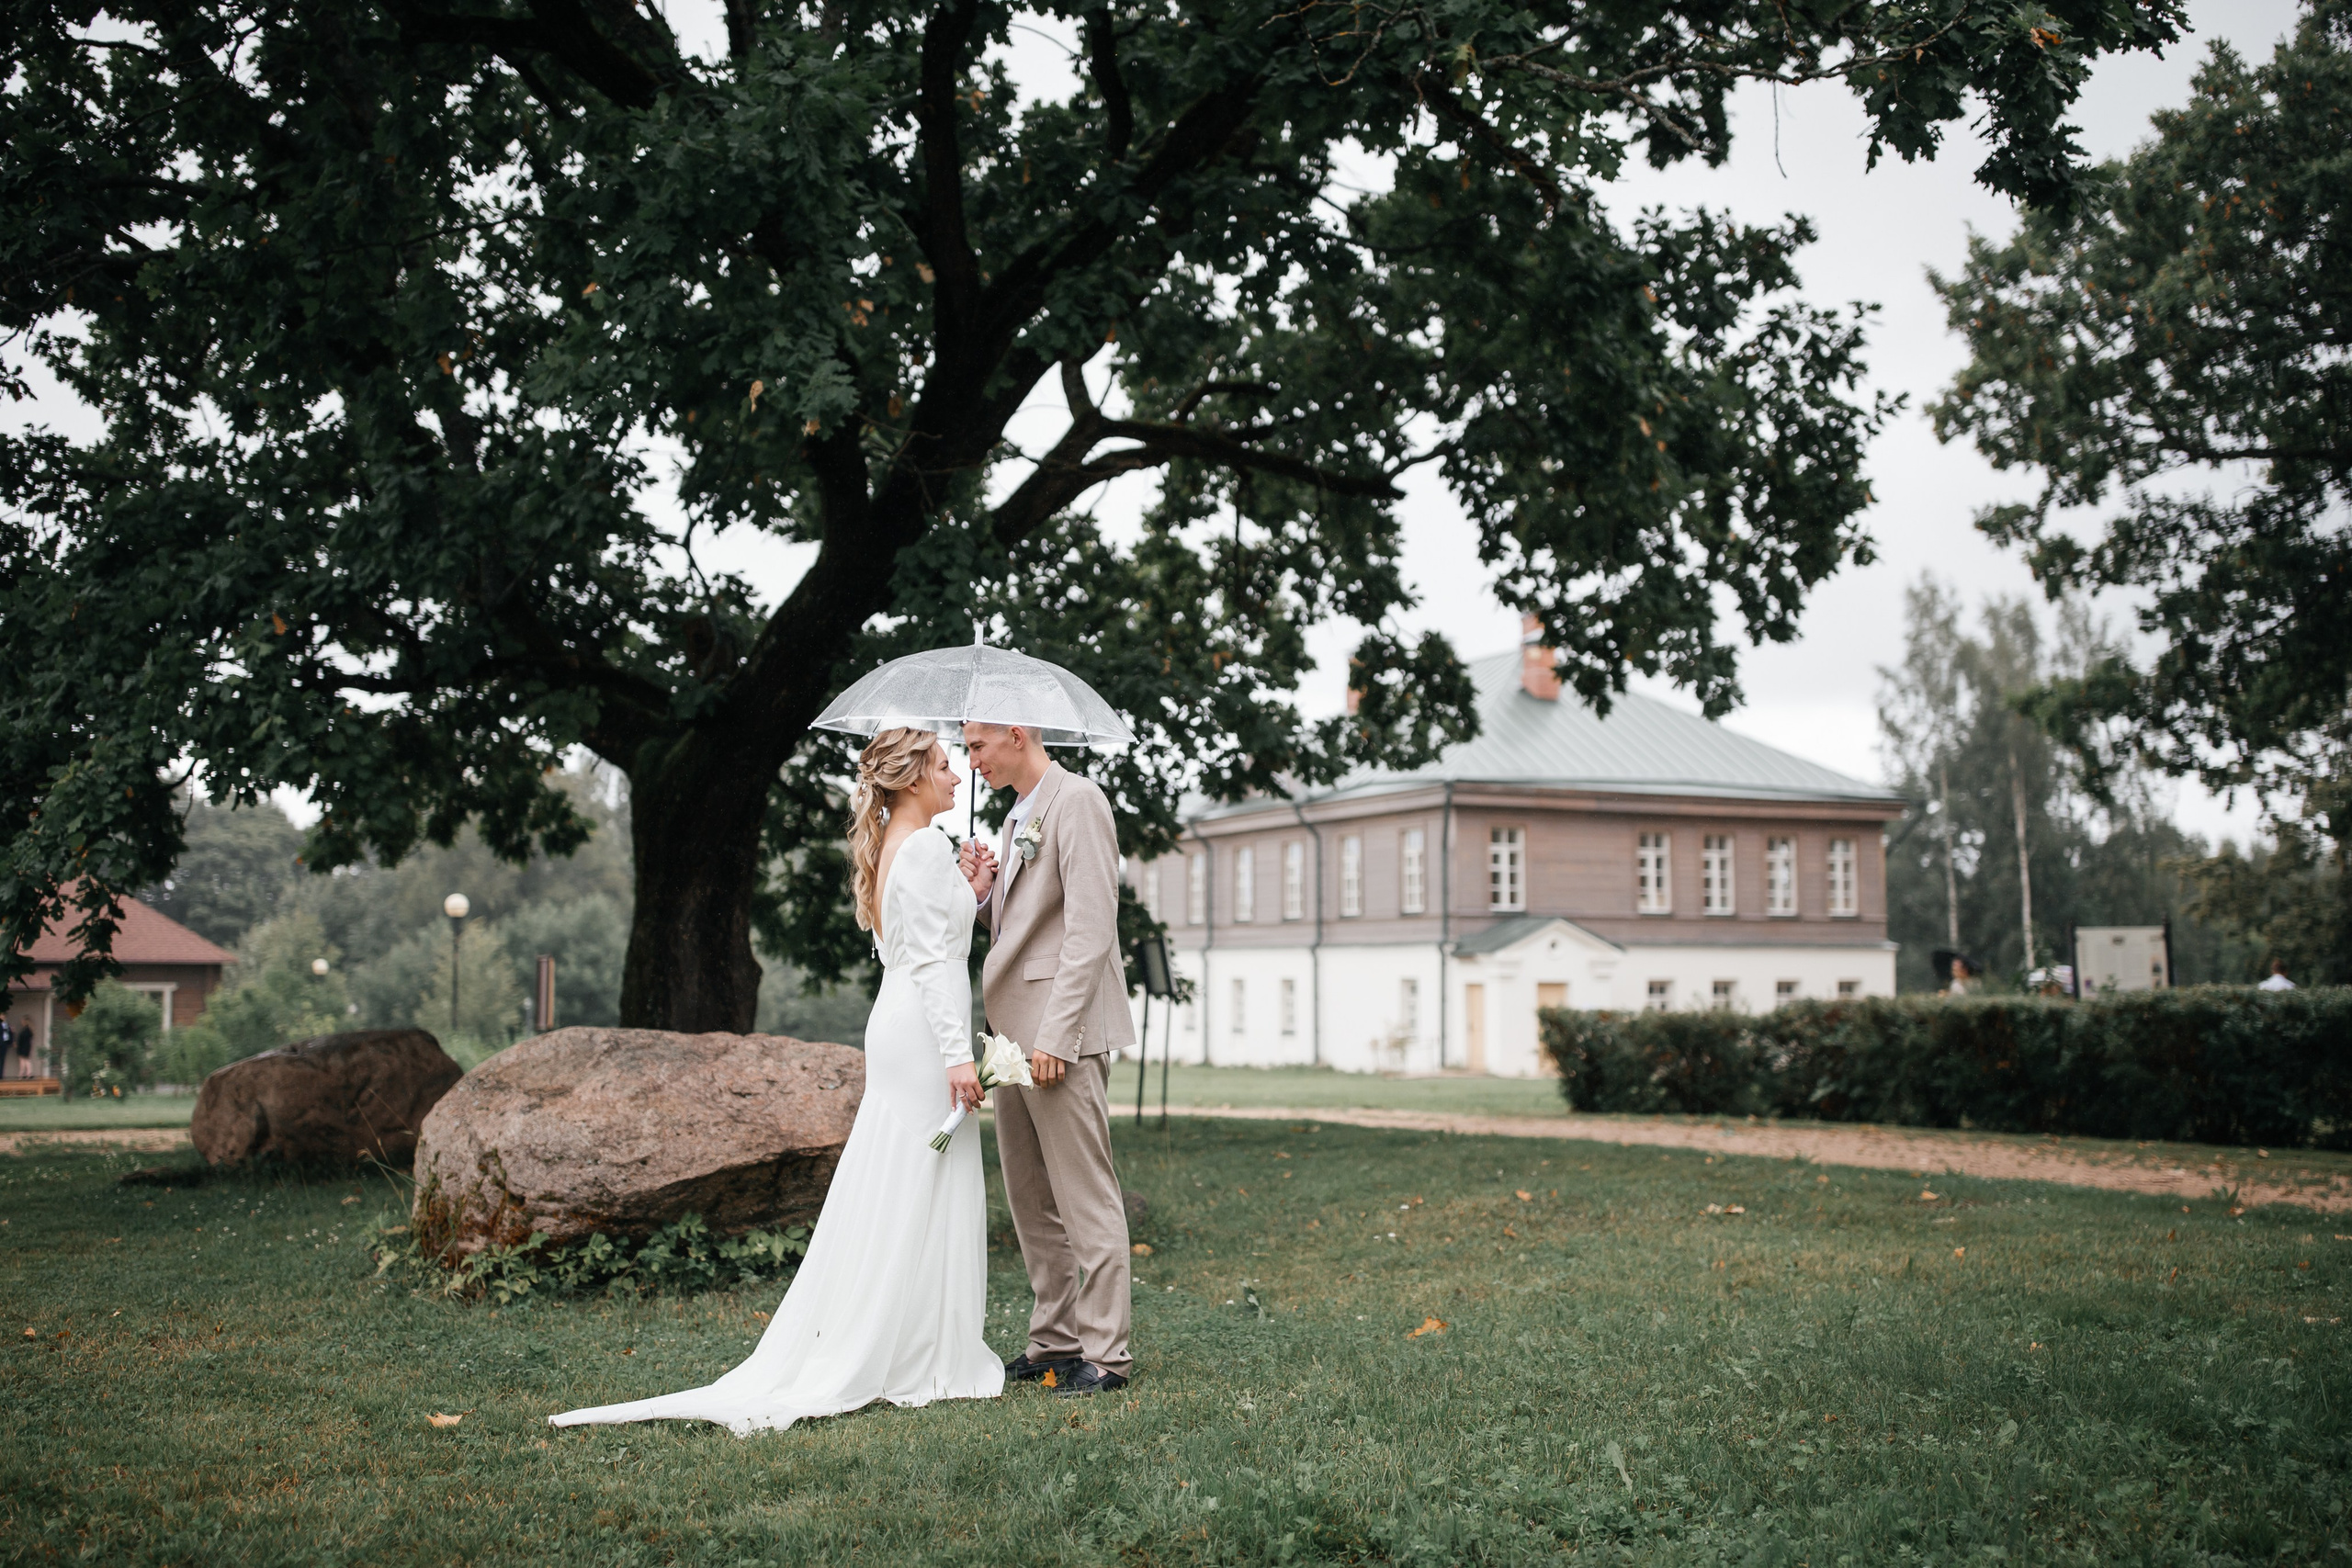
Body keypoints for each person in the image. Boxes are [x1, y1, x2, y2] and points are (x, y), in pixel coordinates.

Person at [550, 728, 1002, 1434]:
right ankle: (914, 1349)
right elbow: (925, 965)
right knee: (920, 1180)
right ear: (914, 777)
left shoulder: (906, 847)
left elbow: (927, 941)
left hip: (906, 1025)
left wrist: (969, 891)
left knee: (907, 1180)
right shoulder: (920, 849)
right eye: (945, 765)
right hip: (922, 1035)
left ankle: (911, 1338)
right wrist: (956, 1055)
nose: (956, 775)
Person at [958, 721, 1136, 1395]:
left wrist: (1058, 1035)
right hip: (1010, 1036)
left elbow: (1091, 926)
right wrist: (983, 895)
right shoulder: (1016, 818)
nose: (971, 760)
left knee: (1084, 1195)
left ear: (1016, 733)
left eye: (977, 746)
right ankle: (1054, 1341)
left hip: (1060, 1035)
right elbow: (1022, 931)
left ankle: (1107, 1354)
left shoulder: (1078, 800)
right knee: (1031, 1199)